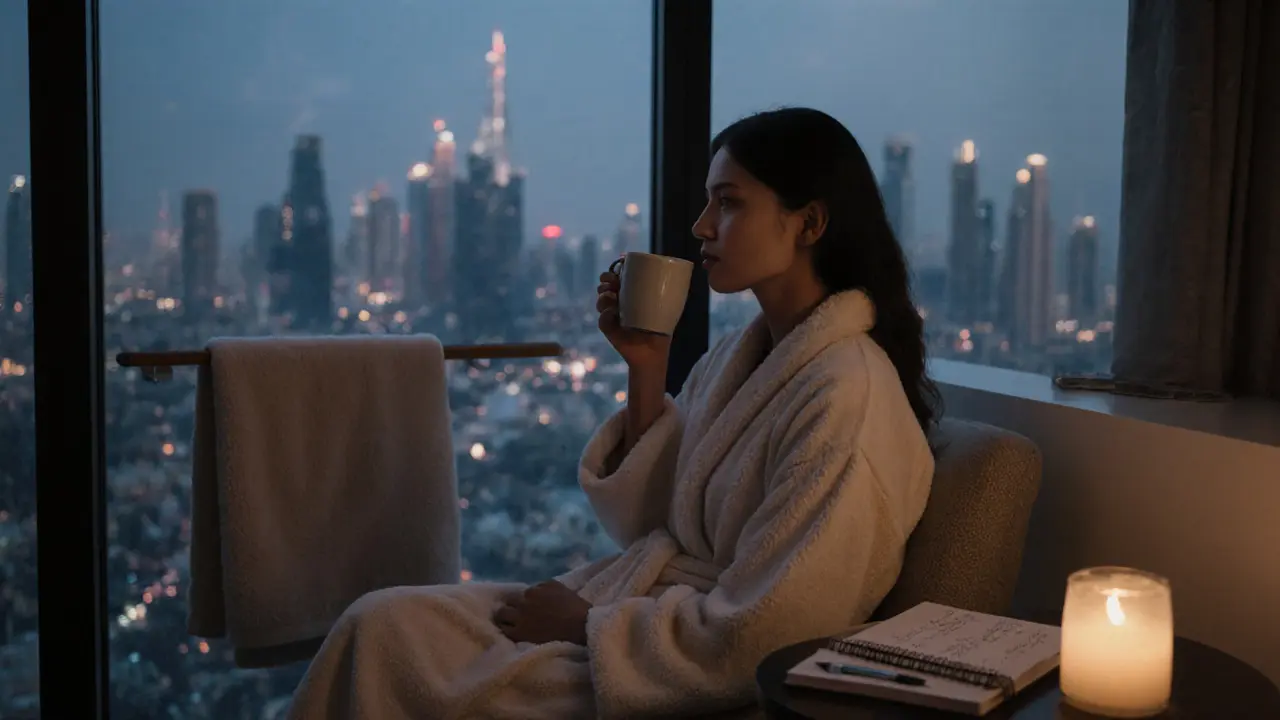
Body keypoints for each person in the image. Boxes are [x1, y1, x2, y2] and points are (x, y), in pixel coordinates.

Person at [287, 107, 940, 720]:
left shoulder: (846, 400)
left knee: (385, 651)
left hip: (667, 665)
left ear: (809, 223)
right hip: (640, 619)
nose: (702, 226)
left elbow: (774, 632)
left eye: (730, 202)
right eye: (709, 200)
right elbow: (658, 521)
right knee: (379, 622)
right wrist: (647, 367)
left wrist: (584, 626)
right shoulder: (743, 359)